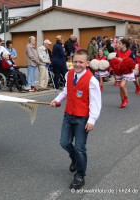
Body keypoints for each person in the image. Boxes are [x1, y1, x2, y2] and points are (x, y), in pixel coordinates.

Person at [51, 49, 101, 190]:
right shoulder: (69, 74)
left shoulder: (91, 80)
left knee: (80, 147)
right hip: (69, 115)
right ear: (72, 62)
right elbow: (66, 91)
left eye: (81, 62)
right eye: (75, 62)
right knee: (64, 142)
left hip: (82, 118)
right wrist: (56, 100)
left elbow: (95, 102)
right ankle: (75, 159)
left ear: (87, 63)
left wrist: (92, 120)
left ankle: (80, 175)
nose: (77, 64)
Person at [115, 38, 136, 108]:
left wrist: (125, 62)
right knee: (120, 88)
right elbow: (115, 61)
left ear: (124, 45)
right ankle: (122, 101)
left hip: (127, 72)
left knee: (122, 85)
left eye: (119, 44)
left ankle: (126, 98)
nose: (118, 45)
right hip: (120, 71)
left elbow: (134, 62)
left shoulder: (130, 52)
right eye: (118, 43)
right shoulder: (118, 52)